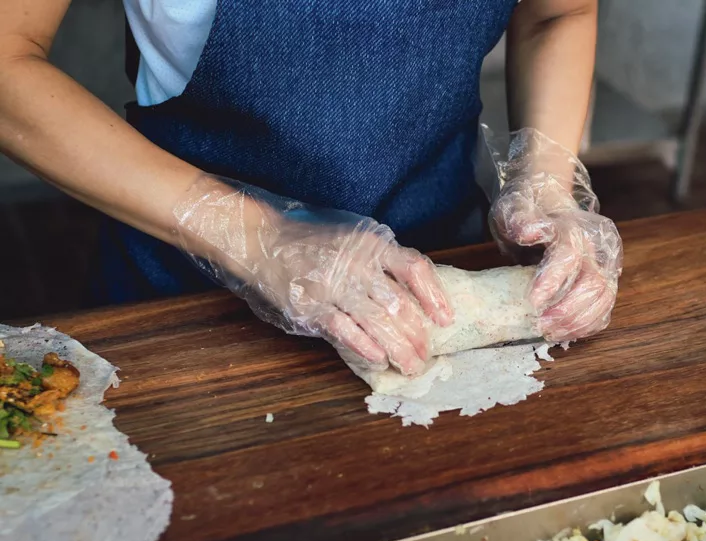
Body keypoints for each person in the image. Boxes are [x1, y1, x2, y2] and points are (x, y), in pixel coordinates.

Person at [0, 0, 622, 379]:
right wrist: (259, 238)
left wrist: (545, 181)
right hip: (186, 308)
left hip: (437, 283)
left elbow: (558, 12)